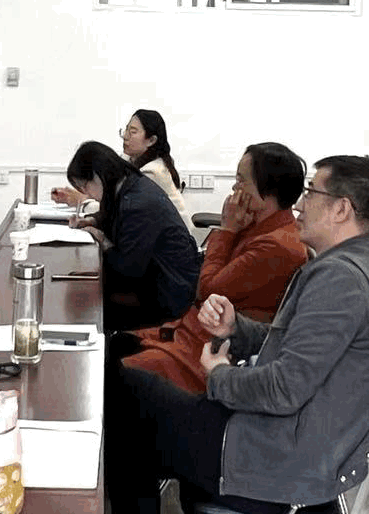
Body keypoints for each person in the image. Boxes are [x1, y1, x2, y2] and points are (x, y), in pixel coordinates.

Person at [96, 154, 369, 514]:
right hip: (281, 436)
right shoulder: (352, 265)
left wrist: (219, 377)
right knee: (131, 403)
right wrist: (236, 329)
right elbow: (292, 349)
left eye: (312, 193)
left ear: (341, 208)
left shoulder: (342, 280)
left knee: (127, 396)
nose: (301, 204)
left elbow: (284, 389)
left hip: (283, 455)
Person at [121, 142, 309, 393]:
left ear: (268, 191)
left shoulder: (277, 246)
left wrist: (227, 230)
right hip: (189, 331)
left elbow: (207, 289)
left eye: (241, 181)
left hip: (207, 351)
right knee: (114, 346)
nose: (234, 188)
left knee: (117, 374)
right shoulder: (257, 227)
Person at [64, 141, 200, 331]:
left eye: (84, 186)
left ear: (98, 175)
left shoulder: (138, 203)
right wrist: (92, 221)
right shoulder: (128, 184)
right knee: (81, 289)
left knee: (83, 300)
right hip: (156, 280)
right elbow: (111, 215)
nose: (85, 193)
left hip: (168, 294)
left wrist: (103, 241)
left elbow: (127, 270)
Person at [52, 108, 187, 217]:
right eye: (126, 130)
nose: (125, 137)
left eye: (133, 132)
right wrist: (82, 193)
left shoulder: (153, 172)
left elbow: (121, 210)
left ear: (151, 140)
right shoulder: (128, 161)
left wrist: (82, 201)